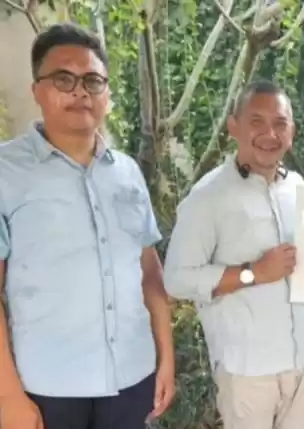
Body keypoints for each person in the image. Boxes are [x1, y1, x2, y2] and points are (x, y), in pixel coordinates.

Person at [0, 23, 174, 429]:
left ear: (106, 95)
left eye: (93, 81)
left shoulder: (127, 173)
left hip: (133, 378)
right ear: (37, 90)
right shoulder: (6, 172)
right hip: (45, 389)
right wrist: (7, 396)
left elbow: (149, 274)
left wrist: (166, 359)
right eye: (64, 79)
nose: (80, 92)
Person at [163, 80, 304, 429]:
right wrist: (254, 272)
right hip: (247, 371)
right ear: (233, 126)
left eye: (280, 123)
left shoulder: (297, 187)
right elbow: (176, 279)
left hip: (302, 361)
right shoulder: (208, 196)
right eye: (257, 121)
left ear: (292, 132)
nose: (270, 133)